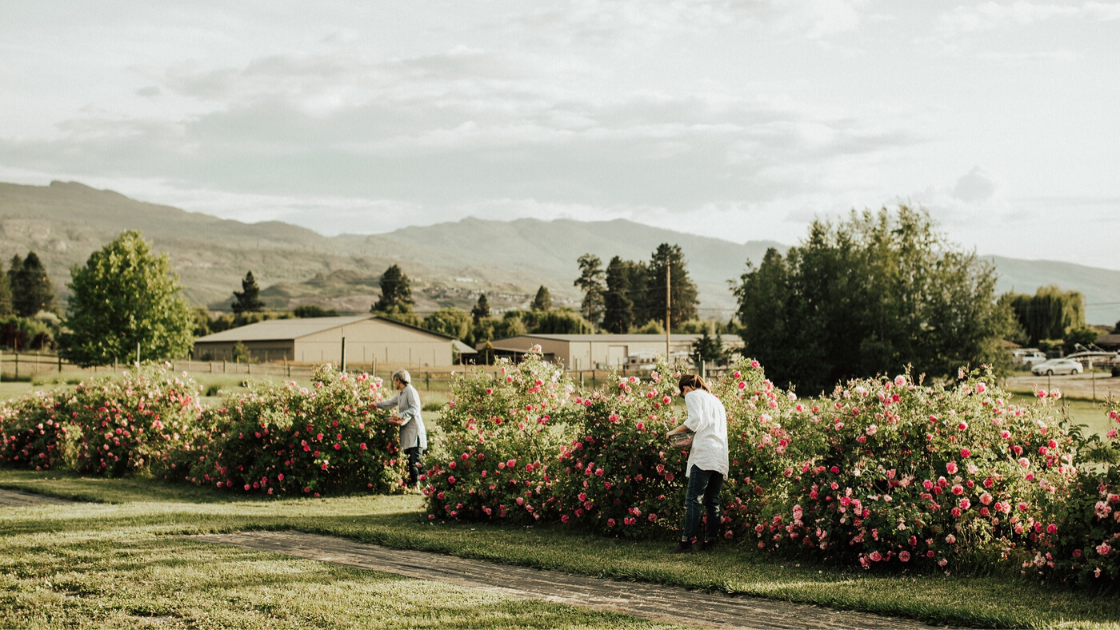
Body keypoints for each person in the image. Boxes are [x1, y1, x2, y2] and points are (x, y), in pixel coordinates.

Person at [665, 374, 728, 553]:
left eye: (682, 393)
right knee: (712, 501)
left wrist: (673, 432)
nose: (684, 397)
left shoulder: (693, 395)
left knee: (694, 499)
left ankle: (687, 542)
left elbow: (695, 421)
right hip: (719, 454)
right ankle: (710, 542)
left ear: (685, 388)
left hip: (704, 454)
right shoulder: (716, 401)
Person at [376, 370, 427, 493]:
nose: (394, 384)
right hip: (407, 431)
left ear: (399, 380)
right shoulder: (401, 394)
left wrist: (400, 415)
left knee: (416, 461)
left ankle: (420, 486)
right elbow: (389, 403)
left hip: (415, 431)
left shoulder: (410, 391)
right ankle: (416, 486)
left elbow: (415, 408)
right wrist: (375, 405)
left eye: (395, 381)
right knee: (410, 460)